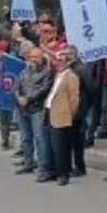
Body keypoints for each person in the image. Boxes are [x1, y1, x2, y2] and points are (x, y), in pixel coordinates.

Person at [15, 45, 53, 179]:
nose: (33, 59)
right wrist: (19, 97)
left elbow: (44, 89)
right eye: (31, 57)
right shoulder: (25, 71)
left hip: (37, 108)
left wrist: (28, 98)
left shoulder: (47, 72)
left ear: (41, 57)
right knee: (25, 137)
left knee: (40, 138)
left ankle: (43, 167)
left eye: (36, 57)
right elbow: (17, 85)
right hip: (22, 108)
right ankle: (28, 163)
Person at [46, 47, 82, 186]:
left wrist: (69, 113)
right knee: (54, 146)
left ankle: (63, 174)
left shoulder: (71, 76)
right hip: (51, 112)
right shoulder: (58, 75)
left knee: (61, 148)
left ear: (67, 62)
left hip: (62, 115)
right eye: (56, 60)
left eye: (61, 60)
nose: (58, 62)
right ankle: (55, 171)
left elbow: (74, 98)